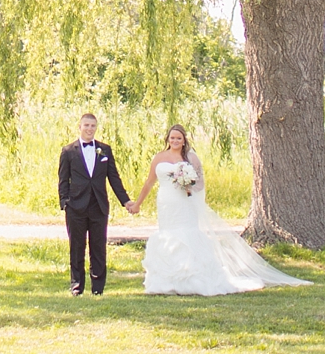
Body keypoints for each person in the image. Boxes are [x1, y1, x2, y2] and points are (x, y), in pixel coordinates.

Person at [127, 123, 309, 296]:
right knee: (168, 234)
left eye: (179, 138)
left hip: (184, 202)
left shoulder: (190, 158)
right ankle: (165, 281)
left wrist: (188, 186)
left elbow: (199, 183)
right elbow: (149, 182)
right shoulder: (159, 157)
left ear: (184, 140)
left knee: (187, 234)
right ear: (168, 139)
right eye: (172, 138)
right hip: (166, 202)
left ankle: (193, 280)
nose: (175, 141)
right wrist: (137, 204)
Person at [56, 112, 130, 295]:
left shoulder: (104, 150)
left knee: (98, 246)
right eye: (86, 125)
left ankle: (98, 288)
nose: (89, 129)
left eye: (92, 126)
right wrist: (65, 202)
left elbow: (114, 178)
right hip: (76, 206)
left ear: (96, 128)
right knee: (77, 246)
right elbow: (63, 179)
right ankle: (76, 286)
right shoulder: (68, 151)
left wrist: (126, 201)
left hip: (98, 205)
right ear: (79, 127)